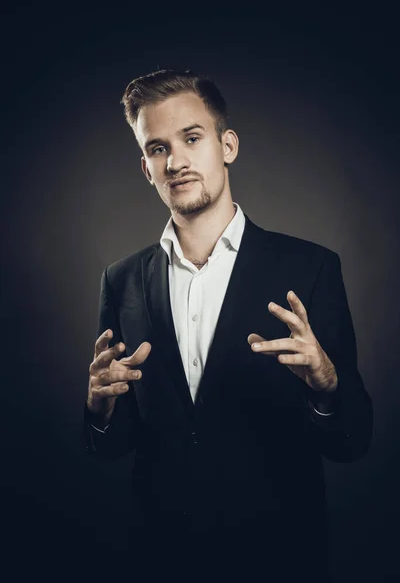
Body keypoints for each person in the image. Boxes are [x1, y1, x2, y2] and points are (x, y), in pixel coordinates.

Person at [84, 69, 373, 581]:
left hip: (280, 556)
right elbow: (113, 446)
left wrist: (327, 385)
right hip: (160, 557)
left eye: (191, 138)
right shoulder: (121, 280)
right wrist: (100, 408)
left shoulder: (310, 268)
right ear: (145, 167)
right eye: (157, 148)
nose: (175, 161)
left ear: (228, 145)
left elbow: (352, 442)